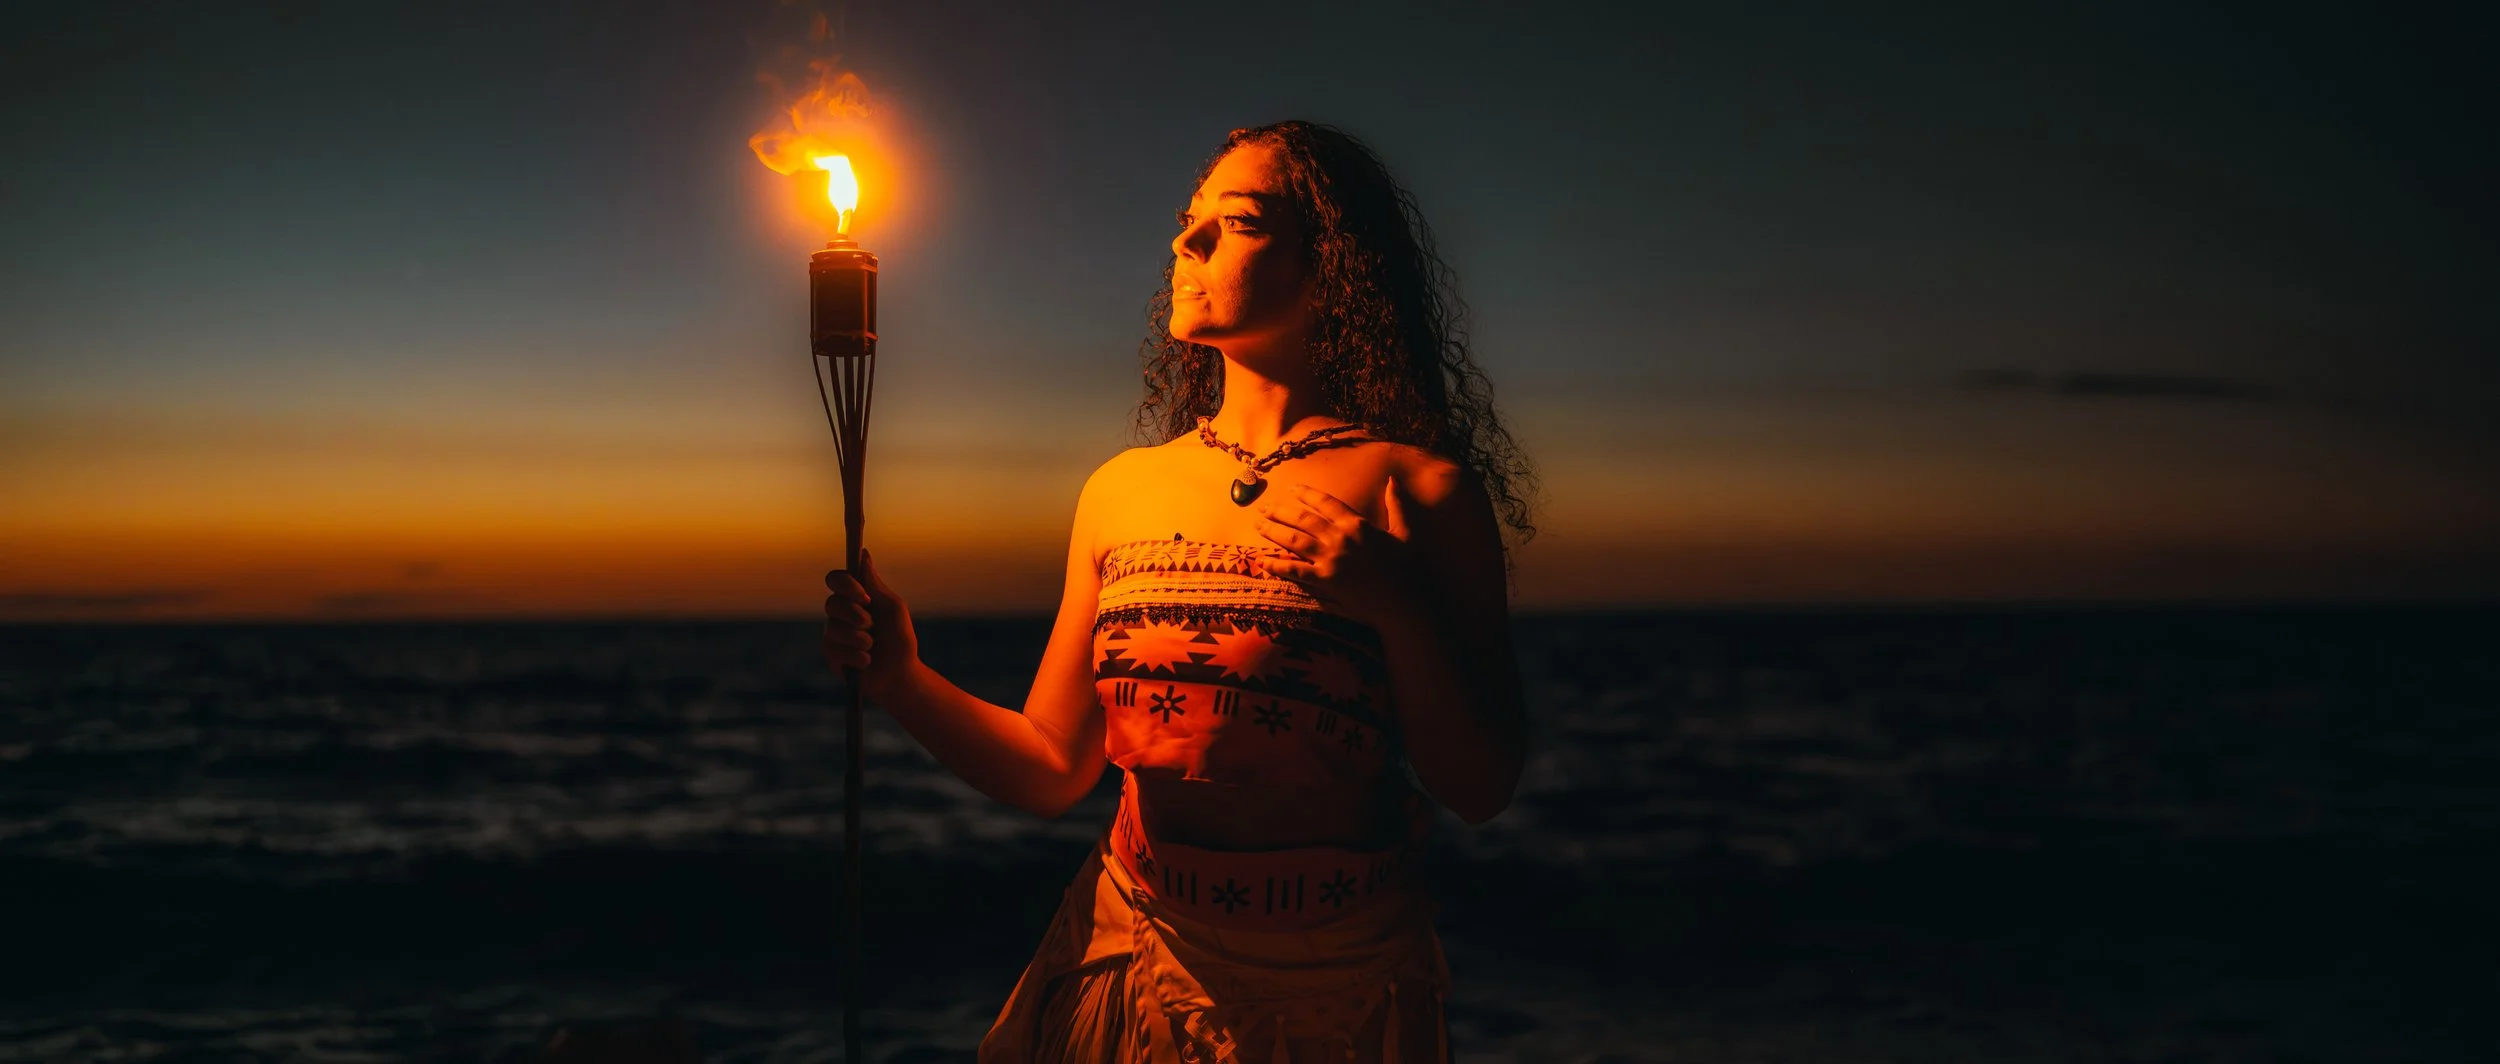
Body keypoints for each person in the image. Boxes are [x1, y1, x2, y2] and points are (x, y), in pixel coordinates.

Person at [822, 119, 1537, 1063]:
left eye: (1233, 223)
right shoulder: (1123, 491)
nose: (1185, 243)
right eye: (1186, 222)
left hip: (1333, 998)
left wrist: (1396, 603)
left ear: (1333, 264)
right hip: (1130, 968)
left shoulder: (1420, 494)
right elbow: (1050, 767)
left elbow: (1480, 786)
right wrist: (904, 683)